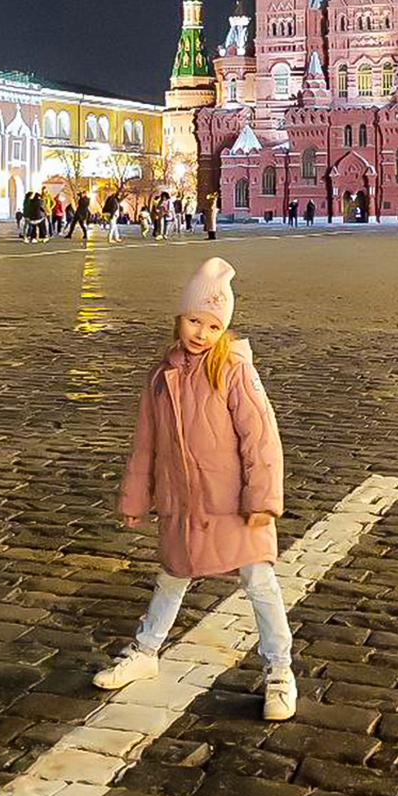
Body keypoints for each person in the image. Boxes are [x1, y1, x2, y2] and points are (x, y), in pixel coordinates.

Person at [95, 257, 296, 722]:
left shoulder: (233, 370)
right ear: (178, 318)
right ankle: (146, 651)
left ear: (223, 329)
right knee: (173, 574)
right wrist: (135, 497)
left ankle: (279, 671)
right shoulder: (159, 377)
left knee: (259, 583)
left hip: (233, 504)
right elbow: (145, 443)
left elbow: (261, 438)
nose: (200, 333)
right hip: (182, 502)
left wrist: (263, 499)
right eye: (193, 320)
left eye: (211, 325)